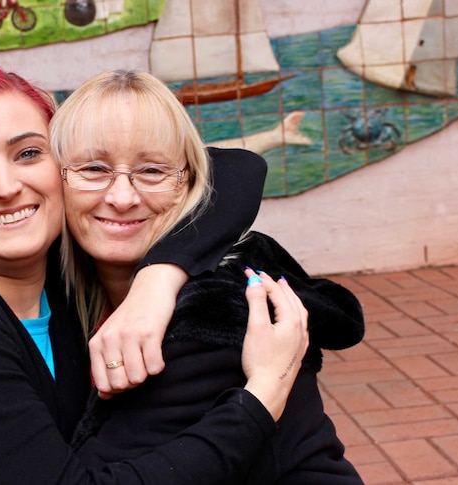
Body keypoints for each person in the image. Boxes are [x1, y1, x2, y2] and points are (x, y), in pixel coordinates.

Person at [0, 63, 309, 484]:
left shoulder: (58, 279)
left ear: (61, 168)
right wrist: (262, 396)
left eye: (28, 153)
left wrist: (157, 282)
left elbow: (231, 170)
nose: (6, 185)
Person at [50, 69, 365, 483]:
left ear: (189, 184)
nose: (122, 197)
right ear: (56, 181)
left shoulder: (215, 315)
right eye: (93, 169)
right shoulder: (62, 284)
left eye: (152, 172)